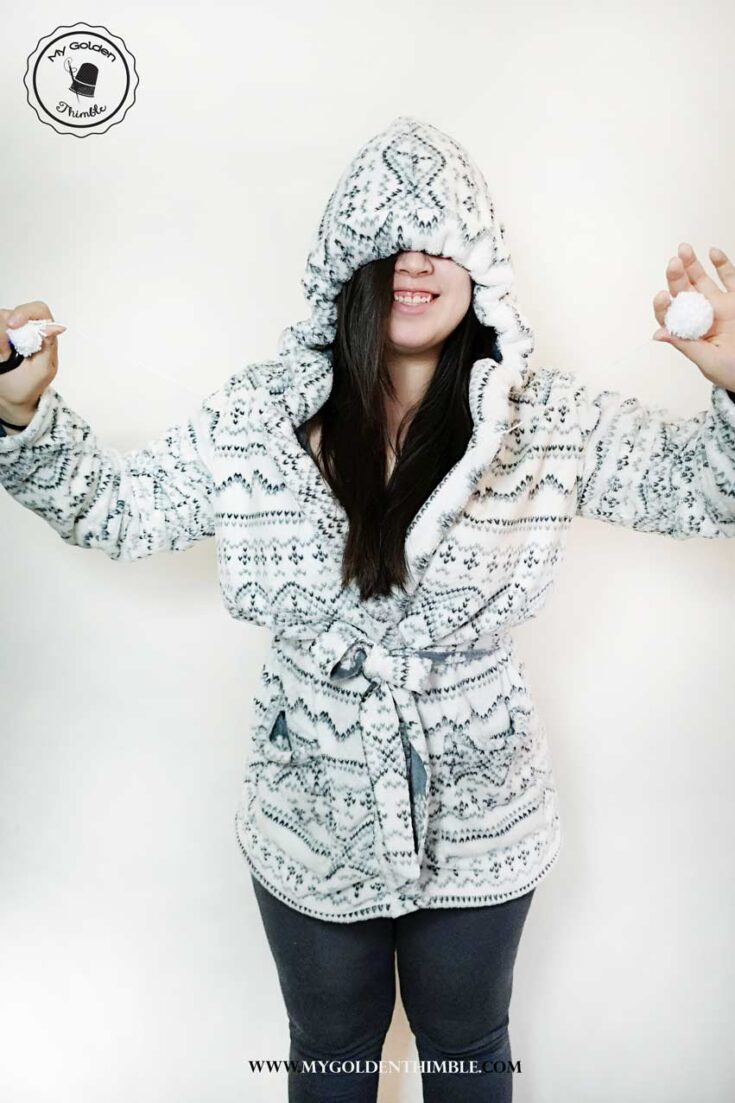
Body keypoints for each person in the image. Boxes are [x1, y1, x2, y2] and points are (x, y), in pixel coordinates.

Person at [2, 116, 735, 1102]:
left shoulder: (547, 422)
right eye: (387, 239)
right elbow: (115, 507)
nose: (413, 261)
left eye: (440, 239)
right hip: (309, 811)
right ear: (344, 264)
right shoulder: (259, 419)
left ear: (481, 267)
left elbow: (702, 488)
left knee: (468, 1047)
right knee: (331, 1053)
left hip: (481, 813)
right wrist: (21, 412)